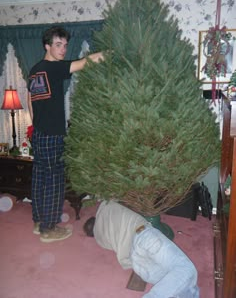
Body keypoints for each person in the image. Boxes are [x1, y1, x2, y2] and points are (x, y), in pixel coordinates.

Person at [27, 26, 104, 243]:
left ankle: (38, 221)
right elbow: (85, 63)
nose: (63, 50)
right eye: (58, 45)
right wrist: (107, 54)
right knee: (54, 181)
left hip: (40, 134)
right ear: (47, 46)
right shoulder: (53, 68)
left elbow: (30, 102)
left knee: (40, 178)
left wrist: (36, 127)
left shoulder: (34, 70)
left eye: (65, 45)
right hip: (52, 135)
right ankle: (48, 229)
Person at [83, 200, 200, 298]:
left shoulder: (100, 239)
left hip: (137, 262)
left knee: (180, 284)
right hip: (144, 236)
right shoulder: (107, 205)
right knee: (186, 269)